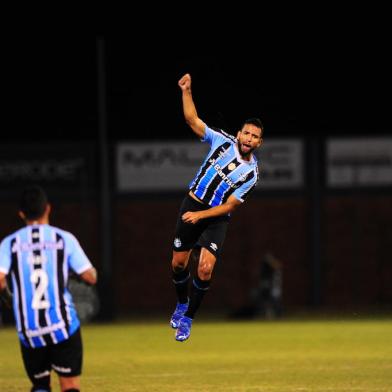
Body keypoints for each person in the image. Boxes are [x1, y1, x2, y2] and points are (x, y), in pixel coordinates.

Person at [170, 73, 264, 342]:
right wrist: (186, 91)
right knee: (178, 264)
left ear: (258, 143)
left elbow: (230, 206)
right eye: (246, 132)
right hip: (192, 203)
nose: (248, 138)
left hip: (214, 218)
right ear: (238, 133)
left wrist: (200, 216)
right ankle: (181, 303)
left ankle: (188, 319)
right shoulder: (221, 141)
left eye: (254, 136)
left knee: (205, 269)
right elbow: (192, 120)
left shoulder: (251, 174)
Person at [0, 185, 97, 392]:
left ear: (21, 213)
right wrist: (70, 272)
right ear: (48, 209)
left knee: (40, 385)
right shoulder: (63, 239)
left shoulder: (10, 243)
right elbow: (90, 276)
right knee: (69, 385)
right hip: (62, 326)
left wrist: (7, 297)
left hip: (30, 329)